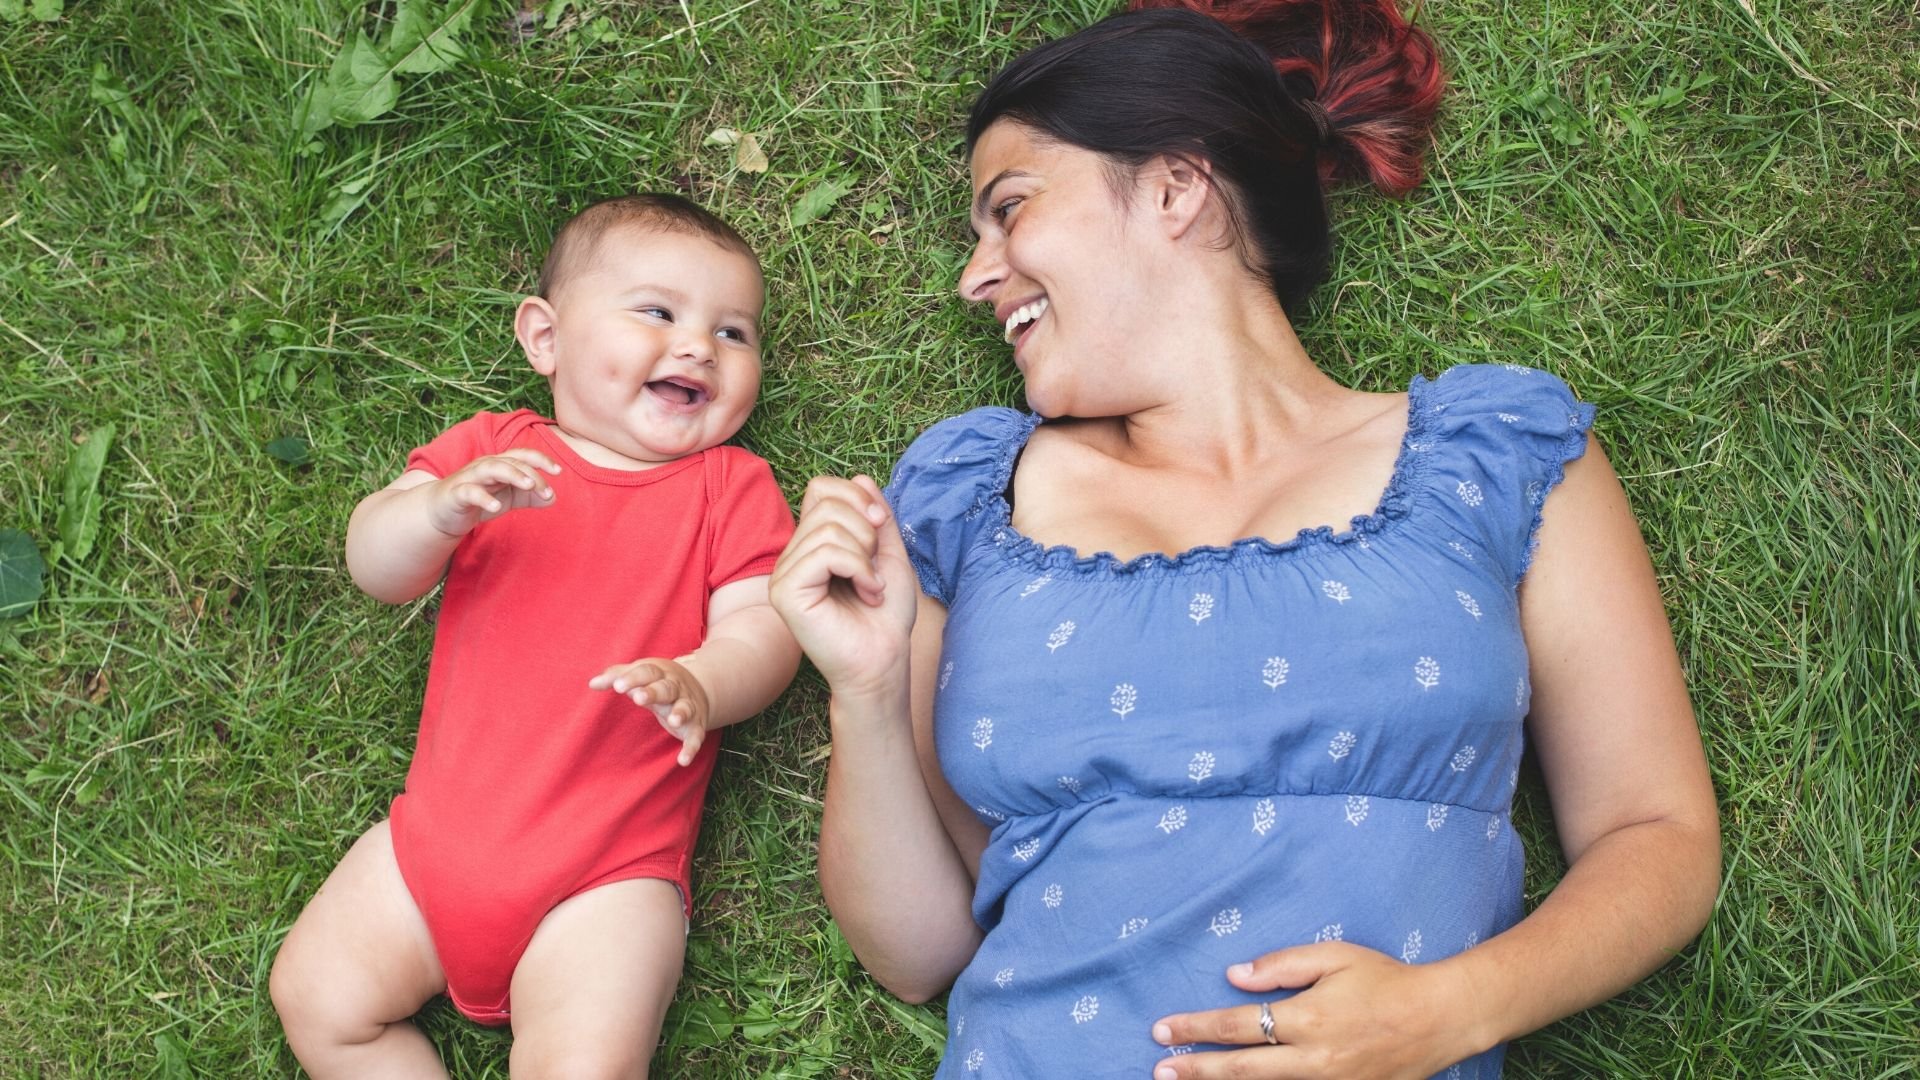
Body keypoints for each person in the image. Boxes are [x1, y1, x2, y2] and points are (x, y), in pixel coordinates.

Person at [768, 4, 1720, 1078]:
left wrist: (1451, 1012)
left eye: (1011, 210)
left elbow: (1659, 837)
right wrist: (865, 689)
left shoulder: (1492, 458)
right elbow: (918, 951)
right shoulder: (969, 498)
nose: (975, 276)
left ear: (1177, 187)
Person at [269, 194, 801, 1079]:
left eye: (735, 333)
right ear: (545, 339)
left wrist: (704, 681)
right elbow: (374, 564)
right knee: (317, 997)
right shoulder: (494, 453)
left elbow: (766, 629)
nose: (699, 346)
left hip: (606, 882)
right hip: (427, 854)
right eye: (658, 312)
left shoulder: (731, 490)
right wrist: (432, 513)